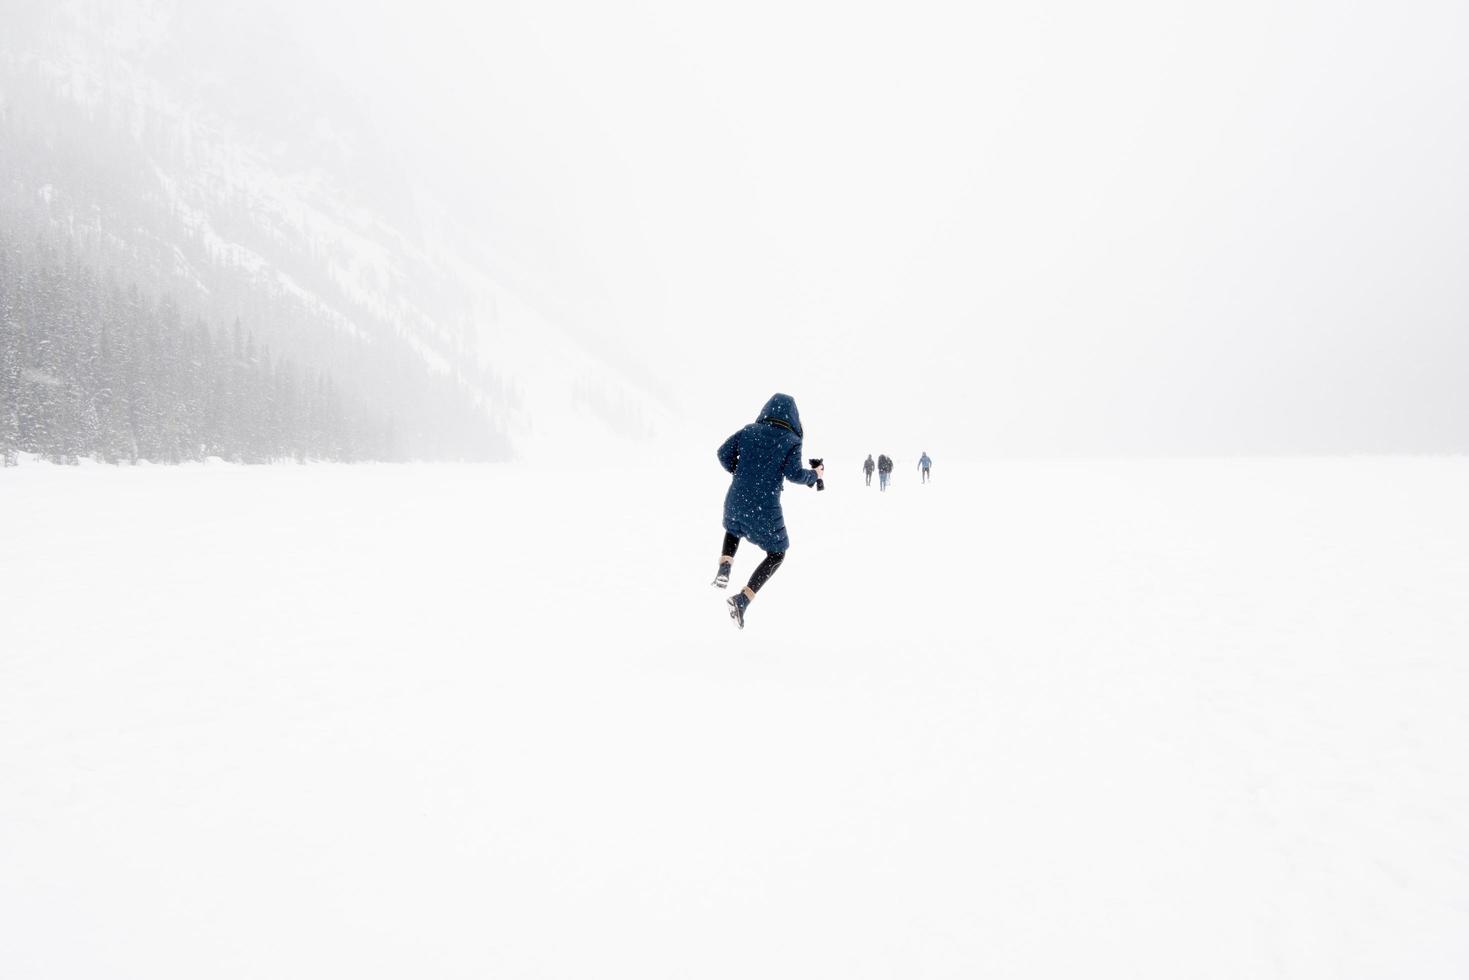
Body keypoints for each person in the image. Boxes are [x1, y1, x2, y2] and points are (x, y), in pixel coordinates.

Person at [712, 393, 824, 629]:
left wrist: (742, 473)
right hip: (764, 507)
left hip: (735, 499)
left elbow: (723, 454)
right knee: (777, 553)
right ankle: (742, 600)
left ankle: (724, 567)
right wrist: (815, 475)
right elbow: (794, 474)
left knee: (734, 527)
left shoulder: (749, 430)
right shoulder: (792, 440)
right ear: (794, 418)